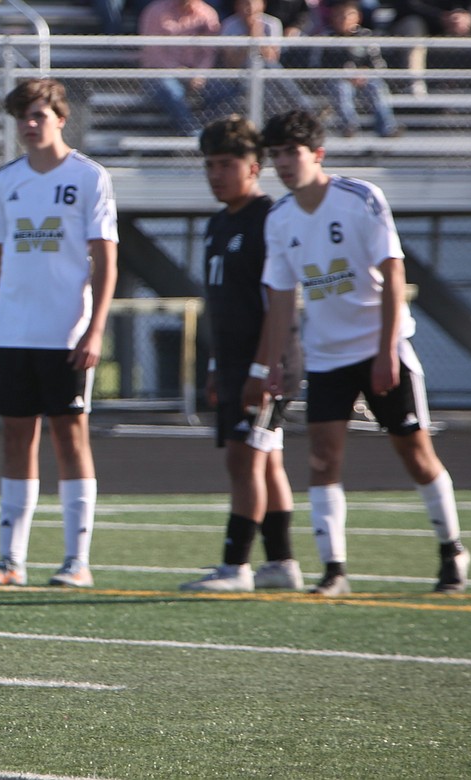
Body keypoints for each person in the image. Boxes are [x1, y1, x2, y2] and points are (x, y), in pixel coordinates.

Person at [252, 109, 471, 596]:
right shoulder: (280, 218)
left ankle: (451, 549)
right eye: (276, 155)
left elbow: (394, 275)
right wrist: (274, 364)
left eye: (293, 152)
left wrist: (386, 352)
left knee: (415, 453)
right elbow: (282, 299)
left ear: (318, 154)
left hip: (380, 347)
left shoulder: (360, 199)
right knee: (323, 459)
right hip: (327, 357)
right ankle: (334, 570)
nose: (284, 163)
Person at [0, 78, 118, 589]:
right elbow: (1, 260)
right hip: (14, 331)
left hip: (66, 330)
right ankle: (10, 560)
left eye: (38, 115)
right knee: (15, 437)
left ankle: (78, 560)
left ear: (60, 116)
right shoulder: (5, 180)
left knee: (70, 437)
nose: (29, 125)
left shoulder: (90, 177)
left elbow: (105, 261)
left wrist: (95, 329)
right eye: (22, 117)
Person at [180, 115, 304, 593]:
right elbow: (222, 303)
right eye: (209, 164)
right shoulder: (217, 224)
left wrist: (261, 367)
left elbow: (280, 302)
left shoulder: (268, 219)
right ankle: (282, 563)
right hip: (233, 362)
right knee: (265, 461)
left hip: (266, 363)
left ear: (254, 167)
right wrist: (215, 365)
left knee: (245, 460)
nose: (215, 174)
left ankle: (236, 567)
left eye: (227, 164)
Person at [311, 0, 401, 137]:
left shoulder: (366, 35)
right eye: (339, 15)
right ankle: (349, 126)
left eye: (348, 15)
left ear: (358, 17)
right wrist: (344, 73)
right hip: (336, 80)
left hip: (365, 79)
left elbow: (378, 64)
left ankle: (386, 127)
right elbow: (318, 65)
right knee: (342, 88)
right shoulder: (326, 37)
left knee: (377, 87)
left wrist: (364, 73)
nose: (343, 20)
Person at [137, 0, 221, 136]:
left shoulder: (207, 14)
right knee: (172, 90)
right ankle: (192, 132)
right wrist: (176, 70)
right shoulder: (155, 11)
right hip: (161, 73)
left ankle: (210, 131)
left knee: (224, 90)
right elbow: (153, 50)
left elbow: (209, 52)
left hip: (196, 75)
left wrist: (200, 73)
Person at [214, 0, 309, 118]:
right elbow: (232, 63)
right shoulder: (229, 25)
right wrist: (251, 36)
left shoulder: (272, 23)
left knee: (270, 68)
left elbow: (271, 58)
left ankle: (304, 108)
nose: (249, 8)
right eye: (245, 3)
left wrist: (257, 32)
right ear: (237, 5)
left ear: (263, 5)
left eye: (254, 3)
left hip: (267, 75)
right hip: (239, 75)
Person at [389, 0, 471, 95]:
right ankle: (414, 86)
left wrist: (468, 16)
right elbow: (406, 5)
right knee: (412, 24)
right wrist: (440, 17)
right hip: (422, 20)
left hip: (459, 23)